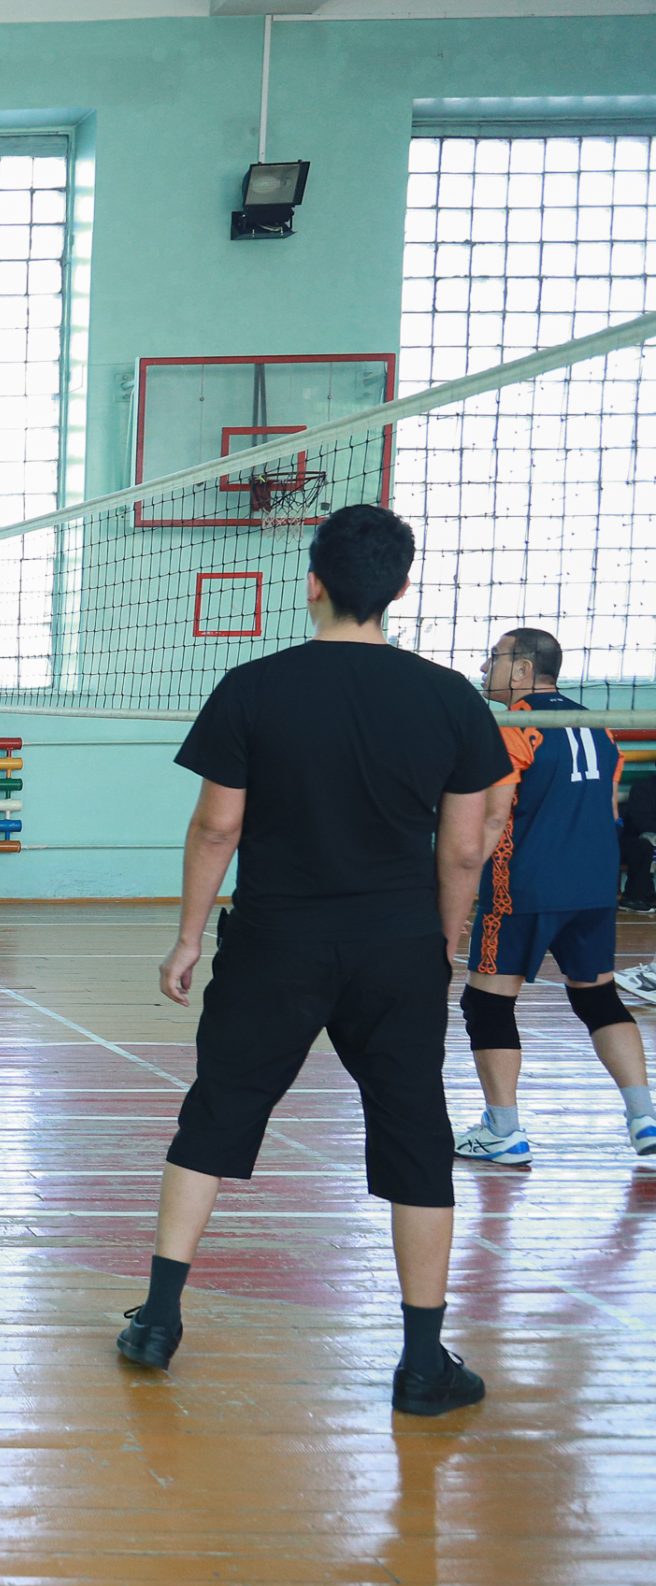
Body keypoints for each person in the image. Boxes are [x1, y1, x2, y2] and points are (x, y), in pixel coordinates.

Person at [115, 505, 507, 1418]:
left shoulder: (254, 686)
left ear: (313, 583)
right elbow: (465, 847)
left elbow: (218, 825)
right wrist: (441, 944)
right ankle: (422, 1363)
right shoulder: (451, 697)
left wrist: (188, 936)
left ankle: (158, 1321)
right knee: (416, 1136)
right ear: (400, 588)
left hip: (274, 942)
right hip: (396, 946)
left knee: (217, 1111)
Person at [452, 628, 654, 1165]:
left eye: (494, 658)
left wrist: (460, 887)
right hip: (595, 887)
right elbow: (610, 810)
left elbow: (493, 817)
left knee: (487, 1002)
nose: (485, 668)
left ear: (522, 670)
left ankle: (503, 1130)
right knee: (598, 998)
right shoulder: (600, 726)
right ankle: (645, 1118)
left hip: (525, 885)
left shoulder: (514, 727)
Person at [621, 769, 655, 914]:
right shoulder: (643, 788)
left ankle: (645, 894)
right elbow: (642, 823)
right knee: (645, 844)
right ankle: (637, 896)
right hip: (640, 839)